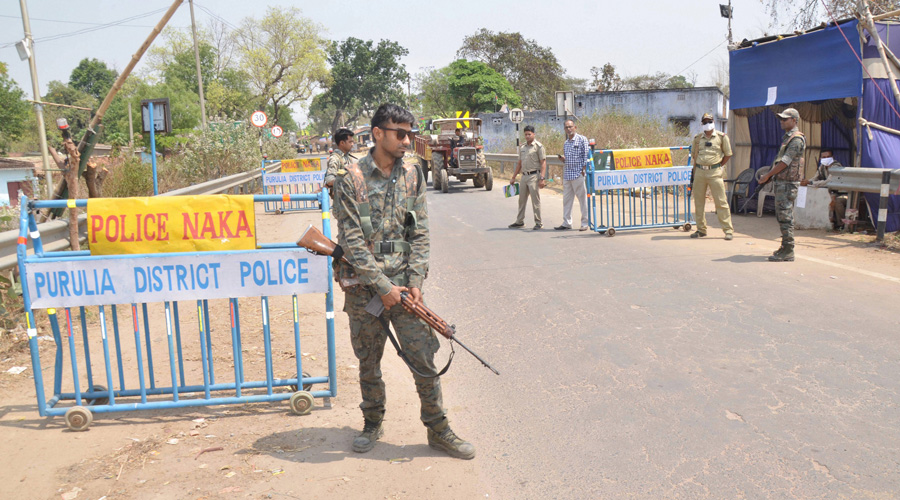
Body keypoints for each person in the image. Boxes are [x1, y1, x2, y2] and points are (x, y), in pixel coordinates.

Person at [334, 103, 475, 459]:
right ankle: (372, 422)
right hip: (365, 289)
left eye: (410, 132)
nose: (407, 140)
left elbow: (421, 232)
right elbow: (351, 241)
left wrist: (414, 281)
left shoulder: (413, 173)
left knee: (424, 359)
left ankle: (439, 429)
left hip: (405, 288)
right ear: (378, 133)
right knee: (369, 360)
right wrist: (384, 287)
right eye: (400, 133)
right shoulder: (350, 178)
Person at [758, 107, 806, 262]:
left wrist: (768, 175)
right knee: (781, 216)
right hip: (782, 182)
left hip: (787, 184)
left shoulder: (796, 139)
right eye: (781, 119)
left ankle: (788, 249)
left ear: (794, 120)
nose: (782, 121)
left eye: (785, 119)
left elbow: (785, 162)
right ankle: (785, 247)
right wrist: (772, 176)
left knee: (785, 216)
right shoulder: (788, 138)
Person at [690, 113, 735, 240]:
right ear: (702, 124)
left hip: (715, 172)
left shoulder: (722, 137)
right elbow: (694, 155)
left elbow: (728, 154)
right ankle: (701, 229)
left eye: (709, 121)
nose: (707, 124)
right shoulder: (697, 138)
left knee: (721, 201)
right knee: (699, 202)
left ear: (713, 122)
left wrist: (718, 164)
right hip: (699, 172)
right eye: (704, 122)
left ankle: (728, 230)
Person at [508, 125, 547, 230]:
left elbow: (543, 163)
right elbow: (519, 163)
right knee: (521, 200)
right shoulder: (523, 147)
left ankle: (538, 222)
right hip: (524, 176)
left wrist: (542, 178)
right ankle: (519, 221)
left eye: (529, 134)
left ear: (534, 134)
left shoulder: (538, 146)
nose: (527, 136)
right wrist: (513, 177)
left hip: (534, 176)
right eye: (525, 134)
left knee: (535, 201)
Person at [555, 120, 591, 231]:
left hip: (578, 174)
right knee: (567, 200)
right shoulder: (566, 143)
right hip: (567, 174)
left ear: (575, 127)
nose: (569, 129)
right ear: (564, 129)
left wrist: (583, 170)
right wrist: (563, 159)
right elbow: (568, 158)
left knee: (582, 200)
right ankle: (567, 222)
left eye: (570, 127)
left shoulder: (582, 139)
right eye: (566, 127)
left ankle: (585, 223)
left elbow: (586, 156)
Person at [801, 149, 846, 229]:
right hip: (830, 191)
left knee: (836, 201)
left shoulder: (836, 167)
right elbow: (815, 178)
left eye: (828, 157)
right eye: (824, 157)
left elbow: (828, 182)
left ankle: (841, 224)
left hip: (841, 193)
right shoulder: (822, 167)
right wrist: (807, 181)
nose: (826, 158)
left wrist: (811, 183)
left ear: (832, 157)